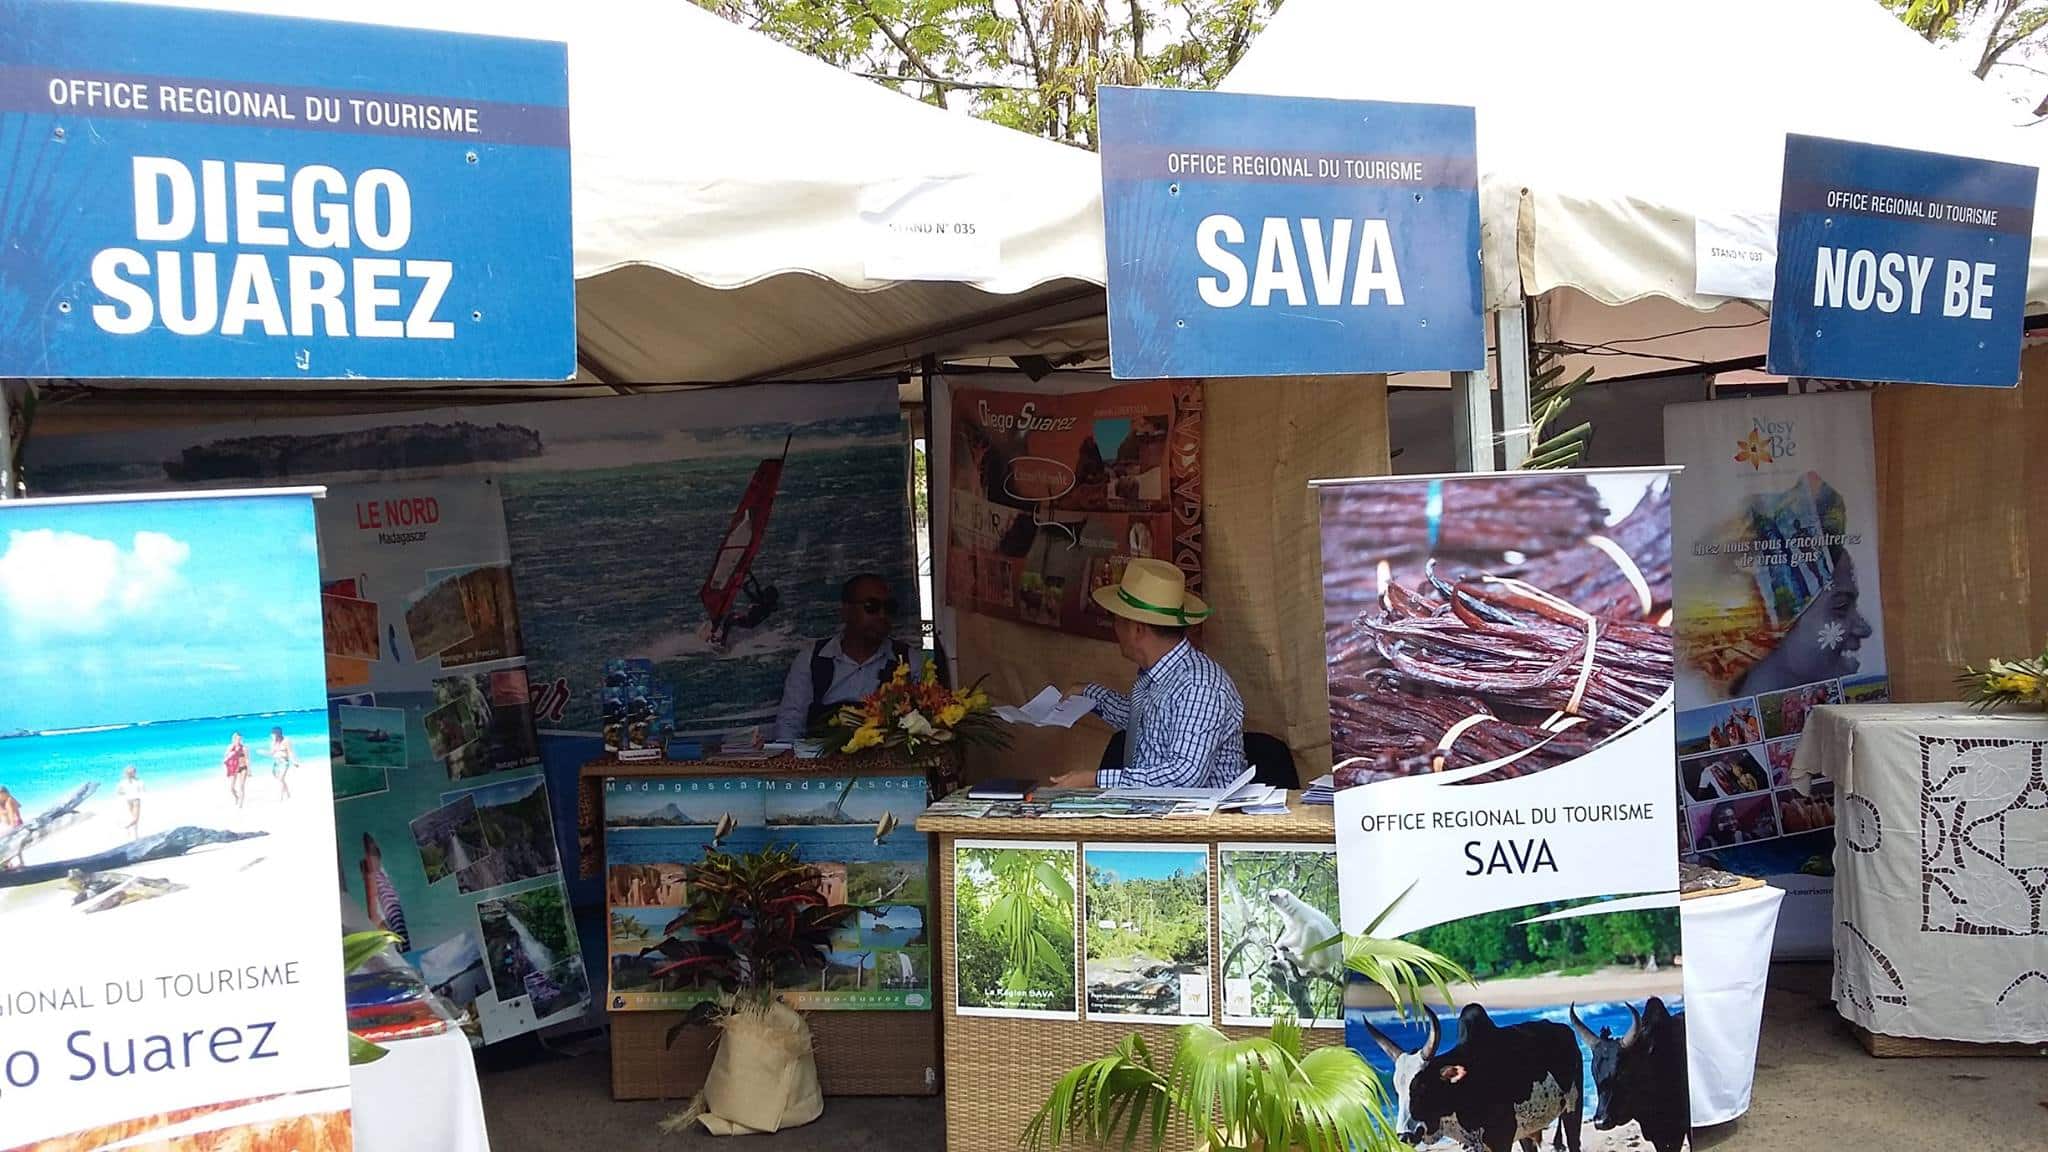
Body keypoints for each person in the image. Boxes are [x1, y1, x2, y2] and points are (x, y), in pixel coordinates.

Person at [1053, 559, 1247, 790]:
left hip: (1201, 823)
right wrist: (1088, 693)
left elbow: (1183, 776)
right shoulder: (1158, 675)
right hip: (1156, 816)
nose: (1114, 629)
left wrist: (1094, 780)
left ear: (1137, 629)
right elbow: (1142, 719)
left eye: (1117, 620)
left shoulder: (1200, 685)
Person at [774, 574, 923, 743]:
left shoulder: (908, 660)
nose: (882, 615)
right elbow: (790, 724)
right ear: (846, 611)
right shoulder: (812, 659)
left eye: (889, 607)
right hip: (823, 764)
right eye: (871, 606)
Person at [360, 834, 411, 951]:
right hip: (390, 904)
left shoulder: (379, 874)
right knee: (401, 937)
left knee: (400, 937)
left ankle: (403, 951)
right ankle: (403, 951)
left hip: (390, 904)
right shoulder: (379, 874)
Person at [223, 732, 252, 809]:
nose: (238, 740)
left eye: (240, 739)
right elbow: (225, 757)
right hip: (234, 768)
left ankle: (240, 806)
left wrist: (249, 770)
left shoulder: (244, 748)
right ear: (233, 739)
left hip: (243, 768)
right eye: (236, 739)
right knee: (231, 788)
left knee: (241, 786)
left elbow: (247, 759)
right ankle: (237, 797)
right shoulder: (230, 747)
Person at [116, 765, 144, 840]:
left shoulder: (122, 782)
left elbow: (118, 792)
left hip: (128, 800)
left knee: (134, 818)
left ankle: (136, 836)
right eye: (134, 772)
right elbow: (143, 790)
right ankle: (126, 827)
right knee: (136, 819)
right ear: (133, 773)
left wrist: (126, 793)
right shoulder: (138, 780)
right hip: (136, 800)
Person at [268, 726, 296, 801]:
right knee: (280, 779)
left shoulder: (286, 741)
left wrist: (294, 761)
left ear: (277, 734)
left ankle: (281, 798)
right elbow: (272, 753)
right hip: (276, 762)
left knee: (281, 779)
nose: (271, 735)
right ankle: (288, 794)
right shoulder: (273, 743)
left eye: (273, 734)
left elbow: (290, 751)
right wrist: (263, 752)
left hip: (284, 762)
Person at [0, 785, 21, 869]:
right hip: (7, 826)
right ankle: (7, 863)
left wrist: (13, 826)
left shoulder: (9, 801)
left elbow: (13, 815)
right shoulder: (4, 803)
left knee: (13, 845)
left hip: (13, 825)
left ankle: (7, 863)